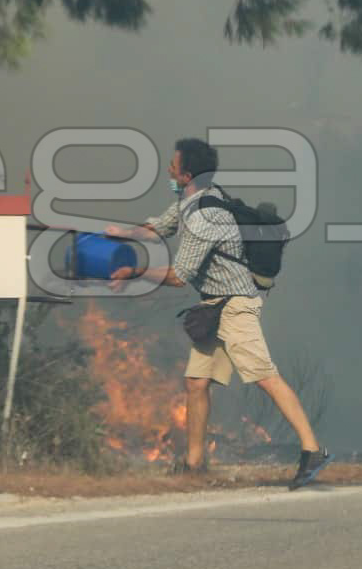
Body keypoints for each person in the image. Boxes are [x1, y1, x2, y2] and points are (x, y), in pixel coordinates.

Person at [105, 137, 332, 489]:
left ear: (187, 174)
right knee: (197, 383)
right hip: (214, 305)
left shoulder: (206, 217)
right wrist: (121, 233)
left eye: (173, 166)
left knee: (263, 376)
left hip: (236, 305)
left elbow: (179, 277)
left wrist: (134, 272)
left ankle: (312, 449)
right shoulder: (190, 202)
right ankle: (194, 465)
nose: (168, 169)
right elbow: (157, 228)